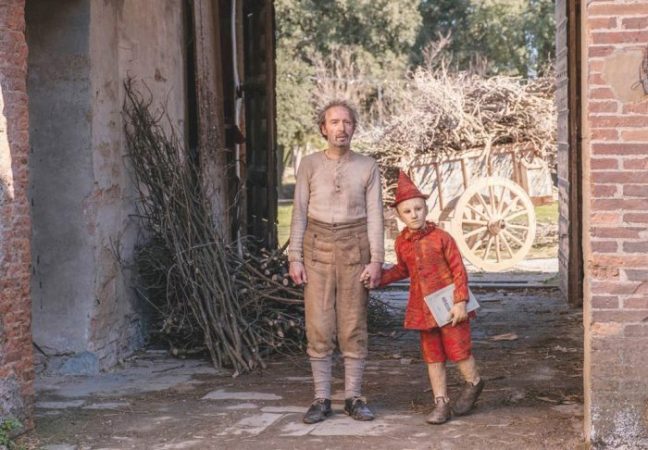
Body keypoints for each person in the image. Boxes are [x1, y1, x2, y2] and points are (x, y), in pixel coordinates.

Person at [288, 100, 384, 424]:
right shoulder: (309, 165)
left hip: (355, 248)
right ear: (323, 128)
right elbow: (299, 213)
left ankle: (354, 398)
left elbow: (375, 216)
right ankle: (321, 398)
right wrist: (295, 257)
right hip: (317, 249)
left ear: (354, 128)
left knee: (353, 324)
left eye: (347, 122)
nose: (341, 128)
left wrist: (376, 260)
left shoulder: (367, 166)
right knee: (318, 324)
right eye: (334, 122)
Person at [377, 171, 484, 425]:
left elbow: (459, 270)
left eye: (418, 209)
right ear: (399, 215)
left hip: (449, 307)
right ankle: (441, 403)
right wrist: (379, 279)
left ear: (426, 209)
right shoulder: (402, 243)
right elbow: (402, 269)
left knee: (458, 350)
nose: (414, 215)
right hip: (424, 309)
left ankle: (474, 382)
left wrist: (460, 301)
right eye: (407, 211)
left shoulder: (442, 238)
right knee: (432, 355)